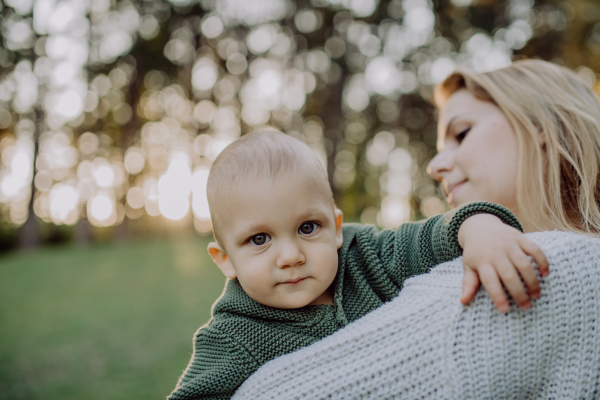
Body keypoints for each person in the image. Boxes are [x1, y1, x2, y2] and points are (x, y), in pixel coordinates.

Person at [231, 59, 600, 399]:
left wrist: (478, 226)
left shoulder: (565, 267)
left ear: (541, 127)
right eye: (259, 238)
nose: (435, 165)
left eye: (462, 133)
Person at [167, 130, 547, 400]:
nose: (290, 255)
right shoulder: (234, 335)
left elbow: (428, 237)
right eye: (259, 239)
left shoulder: (364, 256)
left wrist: (477, 228)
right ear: (225, 260)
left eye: (307, 227)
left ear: (334, 229)